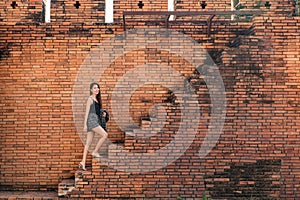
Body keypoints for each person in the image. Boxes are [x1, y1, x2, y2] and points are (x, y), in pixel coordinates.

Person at [79, 82, 109, 171]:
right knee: (105, 135)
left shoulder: (97, 100)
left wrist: (103, 114)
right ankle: (95, 152)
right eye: (95, 88)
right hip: (91, 121)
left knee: (88, 143)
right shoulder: (90, 99)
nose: (97, 89)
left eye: (98, 88)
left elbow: (97, 112)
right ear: (91, 90)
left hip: (95, 120)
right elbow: (87, 112)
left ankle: (83, 162)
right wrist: (85, 125)